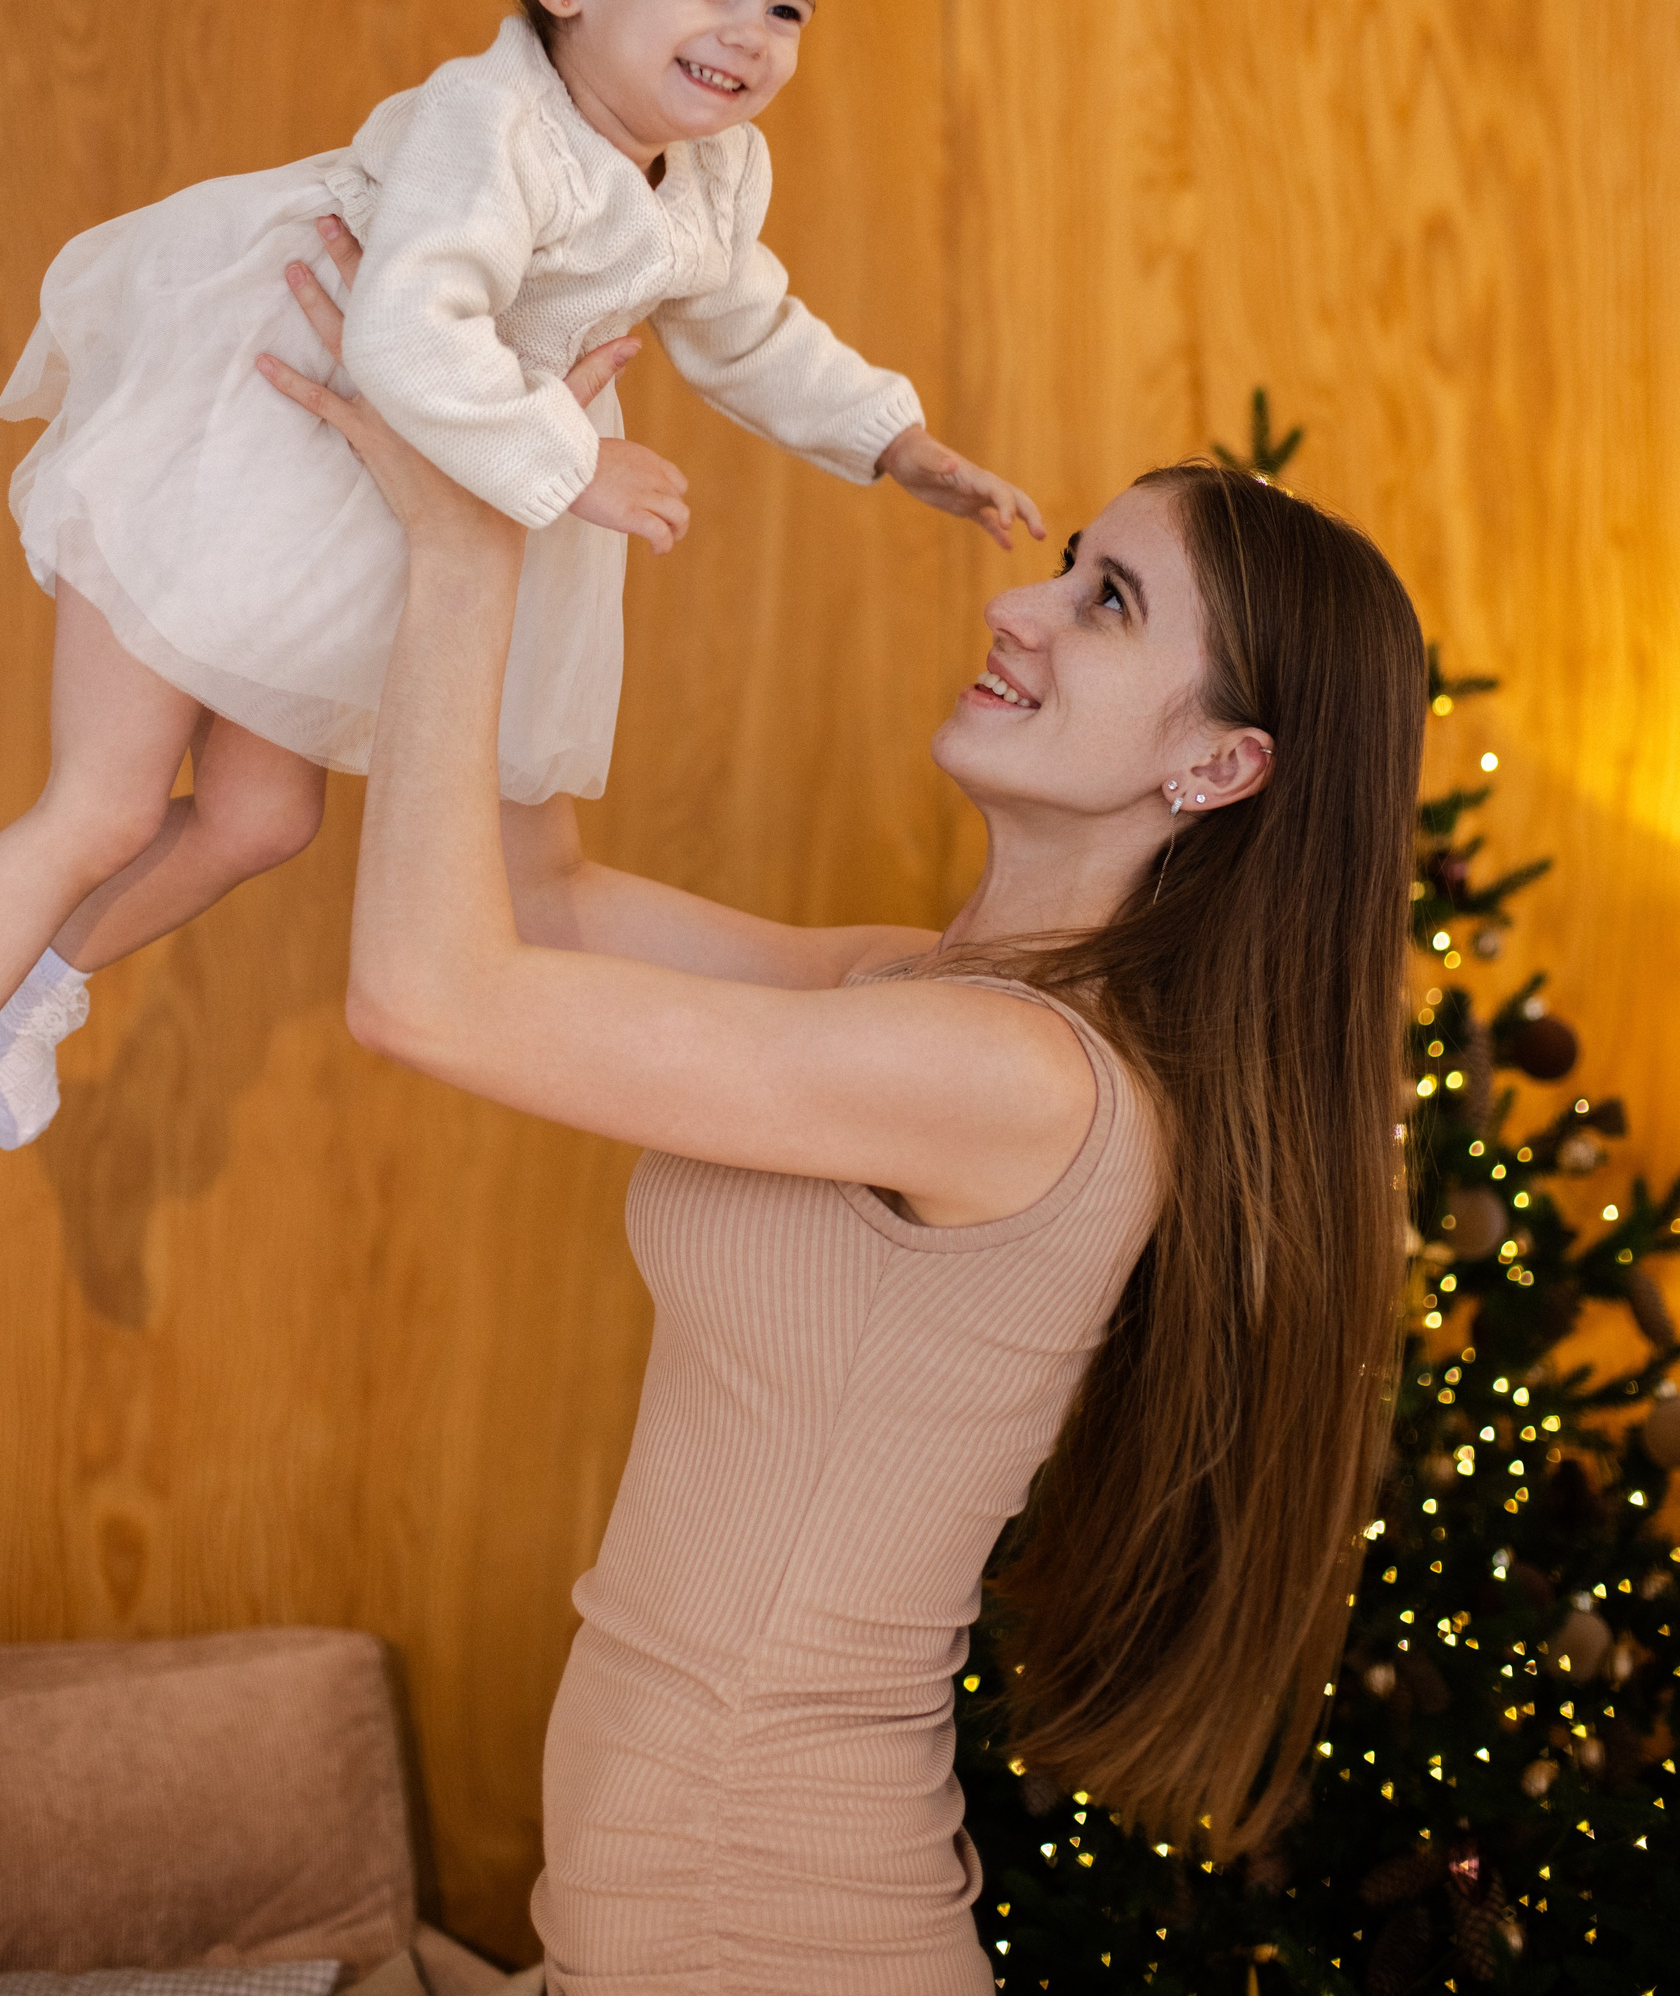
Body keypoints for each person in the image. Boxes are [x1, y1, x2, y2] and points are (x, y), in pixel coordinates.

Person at [258, 236, 1428, 1995]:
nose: (1018, 608)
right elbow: (542, 897)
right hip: (696, 1903)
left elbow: (427, 995)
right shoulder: (918, 996)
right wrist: (540, 470)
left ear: (1219, 765)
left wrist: (459, 547)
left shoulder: (1014, 1081)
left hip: (750, 1918)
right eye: (1064, 564)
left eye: (1108, 603)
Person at [0, 0, 1040, 1274]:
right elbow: (402, 332)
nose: (751, 33)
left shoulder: (713, 174)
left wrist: (891, 438)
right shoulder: (493, 122)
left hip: (373, 495)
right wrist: (569, 464)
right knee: (108, 804)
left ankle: (29, 990)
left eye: (788, 6)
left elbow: (749, 328)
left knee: (263, 817)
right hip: (252, 431)